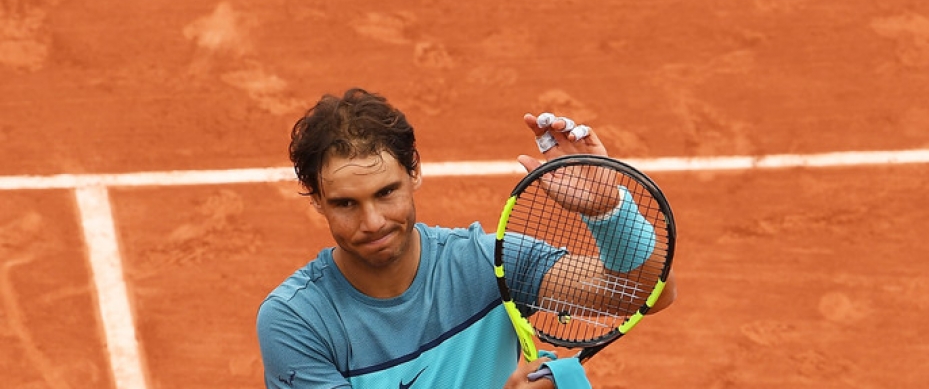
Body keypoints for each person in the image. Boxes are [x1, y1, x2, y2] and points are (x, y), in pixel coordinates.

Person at [256, 88, 677, 388]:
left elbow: (648, 294)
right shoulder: (297, 321)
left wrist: (609, 212)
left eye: (386, 193)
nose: (373, 222)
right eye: (346, 204)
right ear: (316, 199)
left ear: (414, 173)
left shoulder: (485, 264)